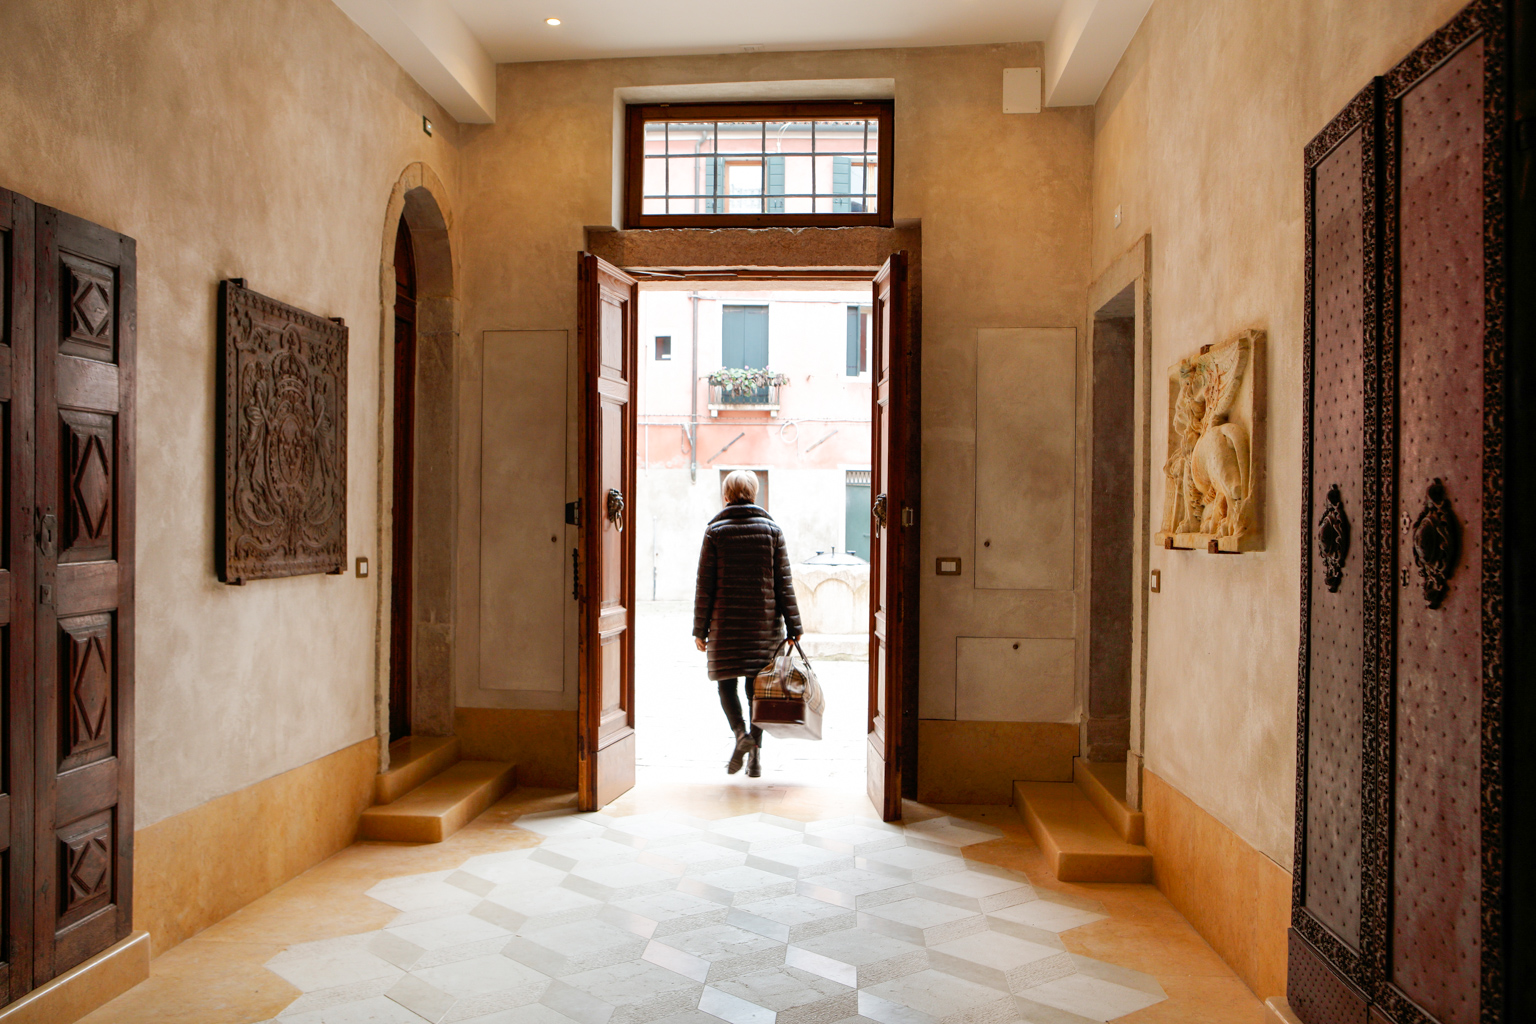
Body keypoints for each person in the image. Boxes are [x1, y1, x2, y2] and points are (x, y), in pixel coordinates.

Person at [692, 470, 802, 778]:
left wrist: (700, 630)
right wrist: (794, 627)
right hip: (763, 627)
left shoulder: (715, 532)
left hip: (725, 626)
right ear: (754, 494)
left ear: (725, 496)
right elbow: (784, 583)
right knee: (758, 689)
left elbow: (705, 586)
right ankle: (755, 758)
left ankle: (741, 735)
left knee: (726, 683)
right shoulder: (772, 531)